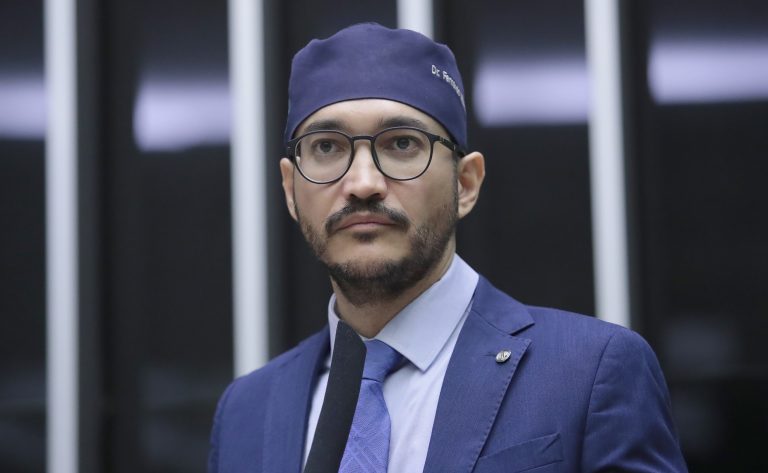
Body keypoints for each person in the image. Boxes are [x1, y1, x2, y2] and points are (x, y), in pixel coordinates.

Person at [208, 22, 687, 473]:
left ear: (465, 183)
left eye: (401, 144)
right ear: (291, 191)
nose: (363, 183)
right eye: (327, 147)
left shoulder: (590, 371)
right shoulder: (247, 410)